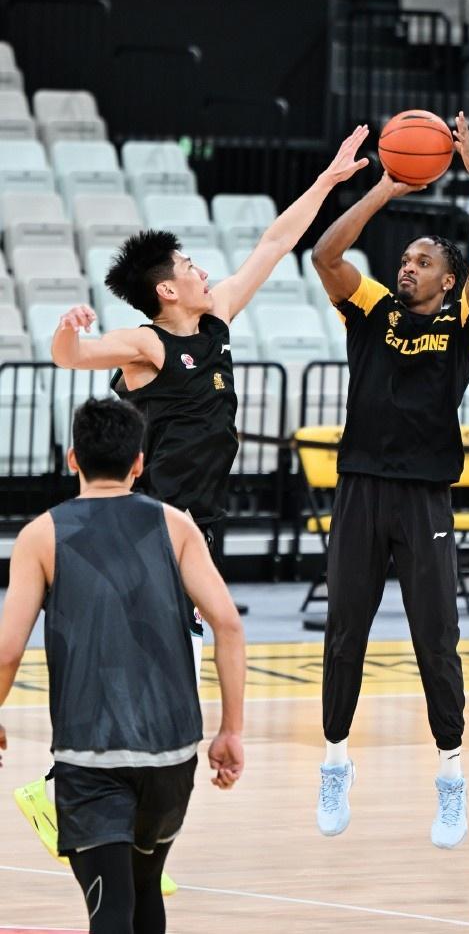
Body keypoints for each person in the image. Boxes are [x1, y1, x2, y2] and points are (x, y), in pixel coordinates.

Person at [14, 124, 370, 859]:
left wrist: (330, 181)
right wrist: (68, 329)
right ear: (166, 290)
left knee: (164, 663)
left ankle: (120, 821)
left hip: (194, 523)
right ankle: (70, 796)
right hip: (141, 525)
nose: (202, 269)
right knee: (146, 661)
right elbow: (73, 357)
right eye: (186, 264)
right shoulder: (149, 343)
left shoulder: (218, 318)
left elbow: (275, 240)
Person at [309, 112, 469, 849]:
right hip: (360, 484)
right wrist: (386, 188)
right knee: (343, 633)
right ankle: (334, 760)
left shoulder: (465, 325)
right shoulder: (372, 311)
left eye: (423, 261)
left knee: (435, 639)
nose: (408, 266)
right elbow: (326, 254)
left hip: (424, 495)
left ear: (447, 280)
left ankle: (451, 774)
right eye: (406, 258)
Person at [0, 397, 246, 934]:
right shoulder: (177, 526)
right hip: (171, 751)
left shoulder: (41, 535)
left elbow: (6, 652)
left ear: (72, 459)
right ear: (139, 462)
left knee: (111, 908)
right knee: (144, 889)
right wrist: (230, 730)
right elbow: (228, 625)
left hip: (91, 753)